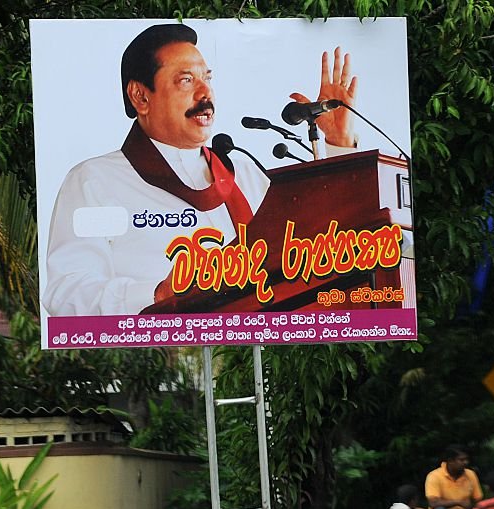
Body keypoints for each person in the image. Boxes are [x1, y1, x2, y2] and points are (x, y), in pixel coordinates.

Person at [42, 23, 358, 316]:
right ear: (140, 96)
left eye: (207, 78)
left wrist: (337, 142)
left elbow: (320, 250)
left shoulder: (245, 176)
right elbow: (68, 291)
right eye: (186, 80)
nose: (205, 94)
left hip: (254, 356)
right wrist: (155, 295)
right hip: (154, 364)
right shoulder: (97, 182)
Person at [424, 445, 483, 509]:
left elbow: (478, 500)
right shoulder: (434, 476)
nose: (466, 462)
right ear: (451, 461)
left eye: (466, 459)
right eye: (461, 460)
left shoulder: (471, 474)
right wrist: (459, 502)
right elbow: (433, 503)